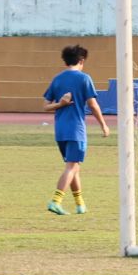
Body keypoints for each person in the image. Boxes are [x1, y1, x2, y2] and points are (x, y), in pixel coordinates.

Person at [43, 43, 109, 214]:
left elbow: (45, 106)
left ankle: (80, 205)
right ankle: (55, 201)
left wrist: (60, 104)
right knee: (71, 167)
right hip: (76, 130)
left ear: (65, 61)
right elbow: (93, 104)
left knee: (73, 167)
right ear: (81, 60)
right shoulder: (84, 78)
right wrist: (103, 124)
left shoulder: (57, 79)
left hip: (60, 131)